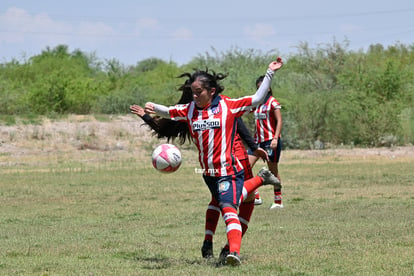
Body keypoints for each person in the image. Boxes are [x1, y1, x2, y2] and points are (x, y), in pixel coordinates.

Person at [143, 58, 284, 266]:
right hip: (209, 174)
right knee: (230, 201)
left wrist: (270, 72)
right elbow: (170, 112)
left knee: (228, 208)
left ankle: (233, 253)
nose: (195, 95)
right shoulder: (190, 110)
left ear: (212, 91)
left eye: (198, 91)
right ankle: (261, 179)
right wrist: (153, 108)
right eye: (193, 92)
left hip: (229, 170)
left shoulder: (228, 106)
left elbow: (256, 98)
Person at [248, 75, 284, 209]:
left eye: (262, 87)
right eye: (258, 88)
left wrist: (275, 138)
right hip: (257, 142)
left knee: (273, 171)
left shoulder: (272, 102)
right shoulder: (256, 103)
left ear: (268, 88)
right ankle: (255, 195)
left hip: (270, 141)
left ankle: (278, 201)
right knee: (245, 166)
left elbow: (279, 121)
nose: (261, 90)